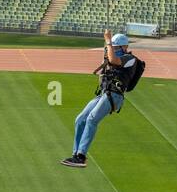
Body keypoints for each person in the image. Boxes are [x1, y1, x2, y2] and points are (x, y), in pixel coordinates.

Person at [61, 29, 143, 168]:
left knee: (92, 118)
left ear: (125, 47)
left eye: (117, 48)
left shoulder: (130, 59)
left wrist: (108, 41)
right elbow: (105, 71)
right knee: (80, 119)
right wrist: (105, 55)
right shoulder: (112, 58)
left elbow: (114, 60)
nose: (114, 49)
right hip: (104, 94)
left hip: (115, 96)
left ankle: (81, 156)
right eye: (114, 48)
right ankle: (76, 155)